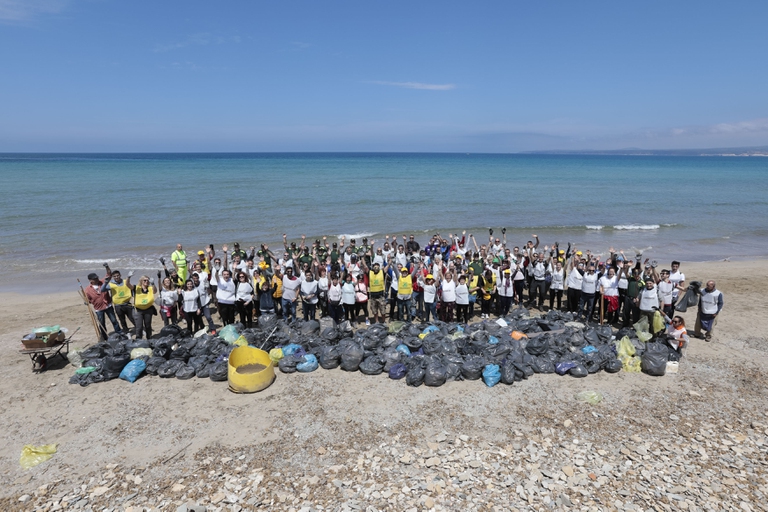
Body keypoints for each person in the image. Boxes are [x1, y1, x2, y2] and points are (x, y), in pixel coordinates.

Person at [85, 272, 121, 340]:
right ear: (90, 280)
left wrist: (107, 267)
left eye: (97, 278)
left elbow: (109, 274)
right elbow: (88, 300)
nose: (97, 279)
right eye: (95, 279)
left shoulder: (102, 282)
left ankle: (119, 333)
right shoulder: (87, 290)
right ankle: (105, 337)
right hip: (99, 309)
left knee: (114, 321)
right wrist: (86, 302)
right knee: (102, 324)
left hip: (108, 306)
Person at [103, 266, 136, 334]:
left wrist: (129, 277)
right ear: (113, 277)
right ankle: (127, 332)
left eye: (118, 275)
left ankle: (139, 329)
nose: (116, 277)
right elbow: (103, 290)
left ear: (120, 275)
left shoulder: (125, 281)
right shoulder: (111, 284)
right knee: (122, 320)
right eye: (114, 276)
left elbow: (132, 287)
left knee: (132, 318)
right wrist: (105, 282)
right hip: (118, 306)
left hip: (127, 304)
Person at [129, 274, 158, 339]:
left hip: (148, 309)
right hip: (138, 310)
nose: (146, 281)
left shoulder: (150, 288)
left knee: (148, 325)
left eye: (148, 280)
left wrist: (153, 284)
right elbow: (128, 285)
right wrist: (128, 277)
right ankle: (138, 339)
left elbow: (155, 291)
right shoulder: (136, 288)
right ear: (141, 281)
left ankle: (149, 338)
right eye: (145, 280)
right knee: (139, 326)